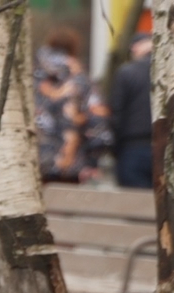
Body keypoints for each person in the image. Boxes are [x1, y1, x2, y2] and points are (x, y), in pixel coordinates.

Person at [34, 28, 113, 183]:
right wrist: (93, 161)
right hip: (71, 163)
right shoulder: (81, 79)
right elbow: (97, 119)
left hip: (33, 161)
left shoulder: (30, 77)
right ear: (73, 48)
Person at [109, 32, 154, 189]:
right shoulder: (172, 73)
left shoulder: (126, 72)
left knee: (133, 203)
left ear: (136, 48)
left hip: (132, 147)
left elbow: (117, 113)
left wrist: (114, 148)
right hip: (165, 147)